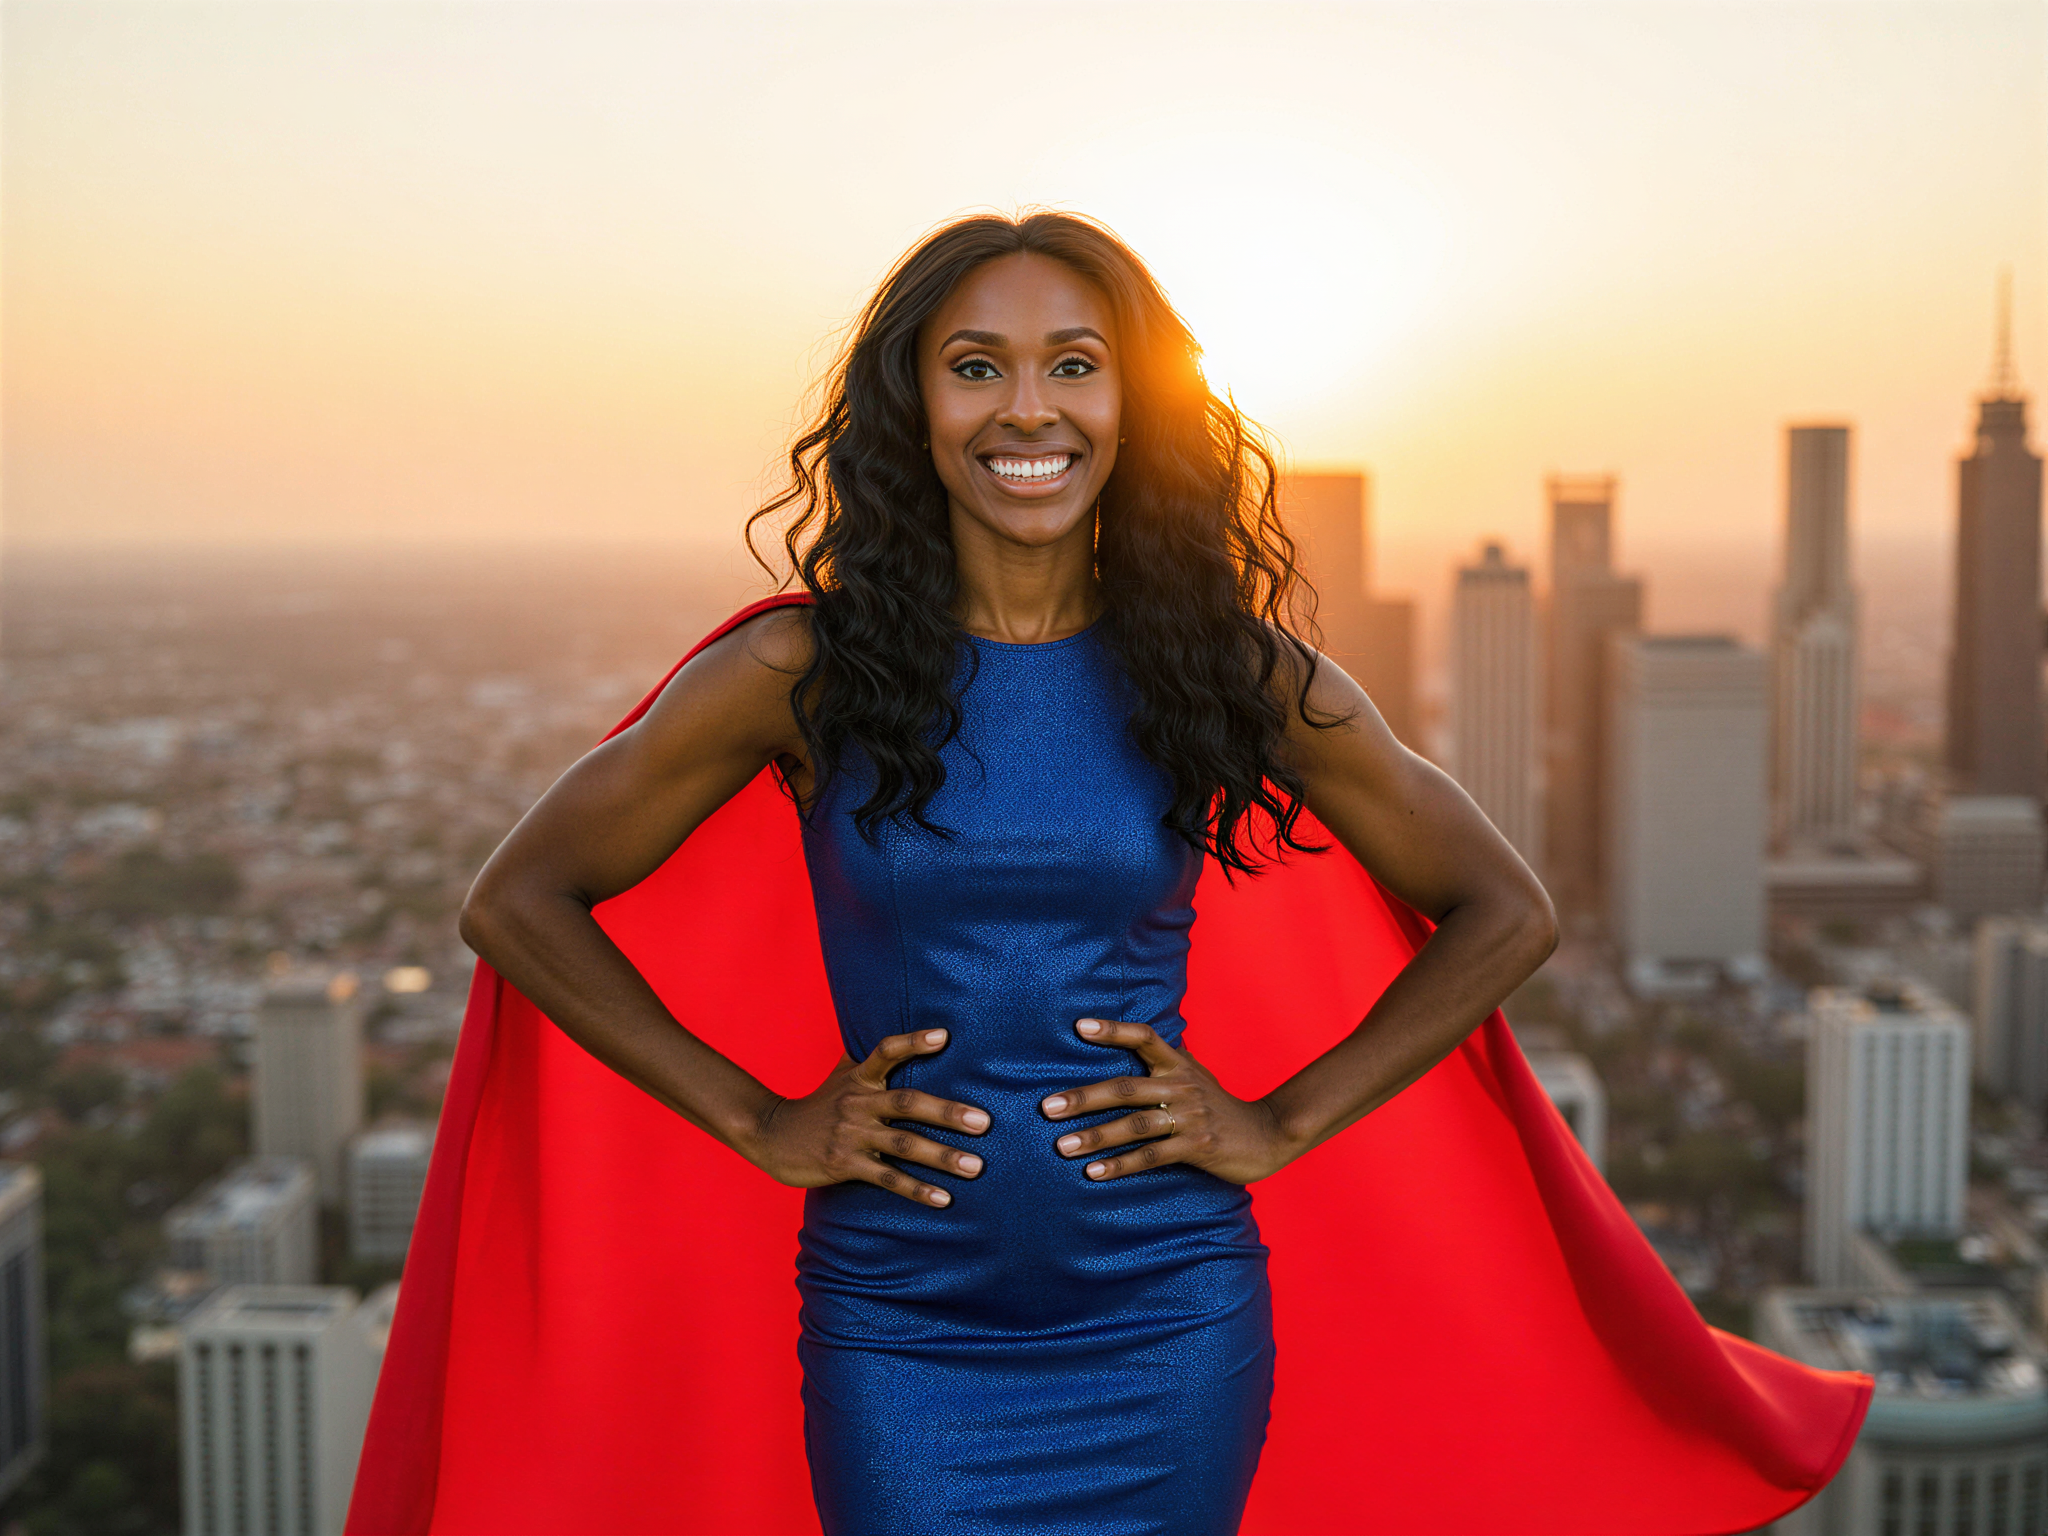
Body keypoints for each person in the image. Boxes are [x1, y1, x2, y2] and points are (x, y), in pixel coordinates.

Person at [346, 211, 1871, 1536]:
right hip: (899, 1323)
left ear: (1137, 404)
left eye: (1077, 364)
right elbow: (517, 900)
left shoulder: (1224, 667)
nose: (1032, 409)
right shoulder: (799, 671)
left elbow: (1506, 910)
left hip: (1170, 1312)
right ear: (915, 407)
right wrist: (758, 1117)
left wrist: (1281, 1120)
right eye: (977, 364)